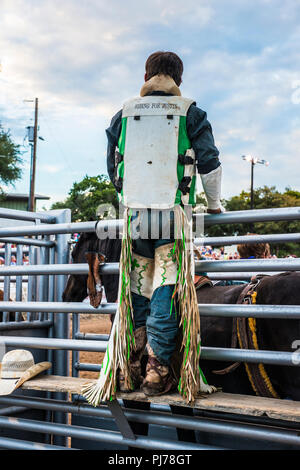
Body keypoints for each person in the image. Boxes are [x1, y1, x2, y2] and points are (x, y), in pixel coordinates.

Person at [83, 51, 223, 405]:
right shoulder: (191, 110)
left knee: (137, 288)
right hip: (173, 214)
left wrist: (122, 189)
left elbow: (112, 160)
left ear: (145, 74)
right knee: (164, 286)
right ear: (179, 78)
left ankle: (129, 367)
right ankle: (156, 371)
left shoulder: (125, 112)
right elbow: (209, 161)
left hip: (134, 215)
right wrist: (215, 205)